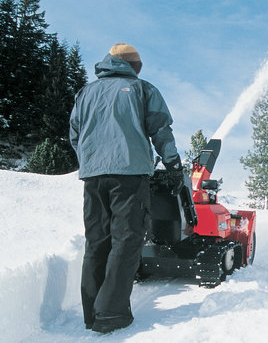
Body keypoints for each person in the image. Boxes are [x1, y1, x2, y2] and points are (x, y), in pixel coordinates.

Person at [69, 43, 183, 333]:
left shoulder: (86, 93)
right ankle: (111, 314)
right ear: (133, 66)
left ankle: (92, 314)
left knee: (97, 241)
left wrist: (92, 161)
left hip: (93, 177)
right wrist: (173, 165)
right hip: (129, 175)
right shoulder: (143, 89)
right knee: (128, 239)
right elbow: (160, 129)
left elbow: (74, 134)